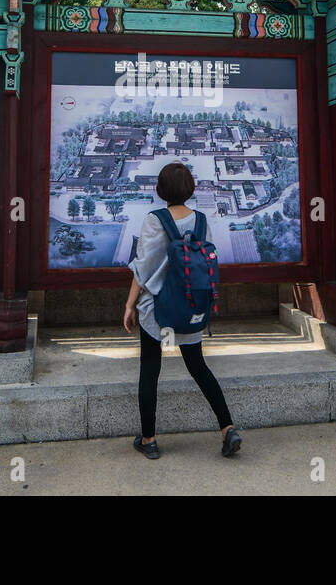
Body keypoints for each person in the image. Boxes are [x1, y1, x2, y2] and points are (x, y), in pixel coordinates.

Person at [122, 162, 241, 459]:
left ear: (161, 191)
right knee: (198, 367)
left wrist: (129, 304)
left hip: (158, 310)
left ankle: (148, 440)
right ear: (190, 189)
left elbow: (143, 267)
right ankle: (228, 429)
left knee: (150, 369)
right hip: (190, 309)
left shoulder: (154, 220)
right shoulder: (201, 221)